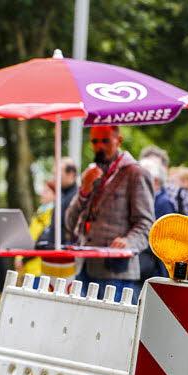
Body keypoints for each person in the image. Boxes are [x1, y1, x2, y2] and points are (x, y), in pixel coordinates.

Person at [65, 125, 154, 303]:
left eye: (105, 141)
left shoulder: (136, 173)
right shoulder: (92, 174)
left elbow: (146, 224)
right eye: (95, 141)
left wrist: (128, 241)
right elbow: (69, 222)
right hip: (84, 267)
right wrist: (84, 190)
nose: (100, 146)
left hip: (116, 273)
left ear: (118, 141)